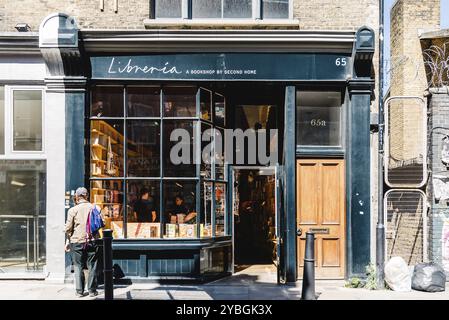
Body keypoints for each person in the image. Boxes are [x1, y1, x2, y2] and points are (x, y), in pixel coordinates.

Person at [64, 187, 103, 298]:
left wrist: (67, 241)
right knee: (92, 265)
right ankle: (92, 291)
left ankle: (79, 291)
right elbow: (102, 222)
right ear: (87, 196)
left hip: (76, 241)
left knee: (78, 266)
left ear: (77, 196)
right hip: (92, 240)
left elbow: (68, 228)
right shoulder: (95, 208)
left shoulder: (72, 210)